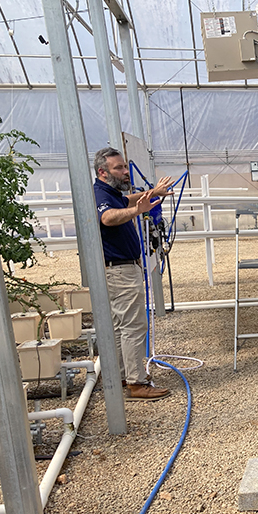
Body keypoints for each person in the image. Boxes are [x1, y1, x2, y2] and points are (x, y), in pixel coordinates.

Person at [94, 147, 172, 400]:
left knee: (121, 326)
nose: (125, 172)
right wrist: (139, 210)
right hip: (119, 269)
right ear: (102, 172)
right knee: (133, 326)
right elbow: (108, 217)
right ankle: (137, 383)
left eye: (124, 166)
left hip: (123, 267)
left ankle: (122, 376)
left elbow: (127, 201)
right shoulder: (100, 194)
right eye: (119, 168)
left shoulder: (110, 192)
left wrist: (152, 193)